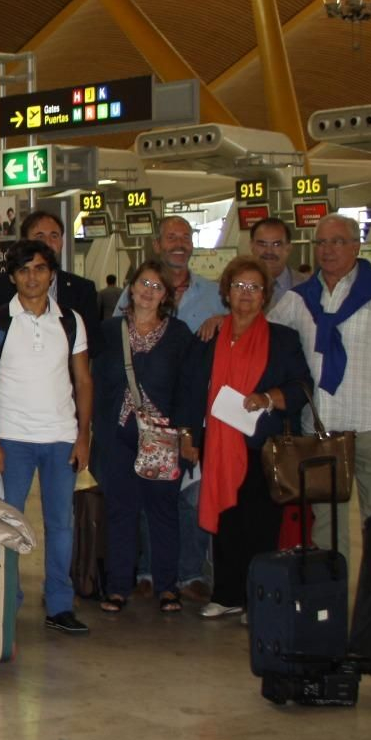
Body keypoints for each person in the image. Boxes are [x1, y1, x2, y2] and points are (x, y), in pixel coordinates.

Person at [268, 214, 371, 551]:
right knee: (327, 530)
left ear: (356, 246)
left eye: (337, 241)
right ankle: (331, 601)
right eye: (320, 242)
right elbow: (264, 335)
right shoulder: (300, 299)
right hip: (322, 429)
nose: (327, 250)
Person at [0, 240, 93, 636]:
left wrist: (84, 436)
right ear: (12, 277)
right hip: (11, 439)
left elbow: (84, 381)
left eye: (40, 268)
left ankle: (60, 605)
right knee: (7, 525)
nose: (32, 277)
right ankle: (6, 602)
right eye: (24, 270)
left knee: (61, 525)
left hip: (61, 437)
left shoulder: (70, 320)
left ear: (51, 273)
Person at [192, 256, 312, 618]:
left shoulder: (282, 338)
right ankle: (226, 595)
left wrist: (268, 398)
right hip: (219, 445)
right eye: (238, 286)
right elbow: (194, 388)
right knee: (227, 521)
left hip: (262, 446)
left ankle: (256, 599)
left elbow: (301, 386)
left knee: (260, 526)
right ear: (226, 292)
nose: (246, 294)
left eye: (254, 288)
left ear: (265, 296)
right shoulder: (210, 336)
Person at [125, 215, 227, 600]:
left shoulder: (215, 294)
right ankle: (150, 571)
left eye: (185, 237)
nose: (179, 243)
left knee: (192, 494)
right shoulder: (134, 294)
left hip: (195, 412)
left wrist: (224, 317)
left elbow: (239, 328)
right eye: (172, 237)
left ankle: (189, 573)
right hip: (147, 417)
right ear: (157, 245)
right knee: (152, 497)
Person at [91, 259, 199, 613]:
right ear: (131, 286)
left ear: (166, 295)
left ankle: (167, 586)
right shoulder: (108, 331)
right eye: (143, 284)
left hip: (162, 438)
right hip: (117, 435)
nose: (149, 292)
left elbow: (189, 389)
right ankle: (119, 585)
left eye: (157, 287)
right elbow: (93, 382)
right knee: (121, 510)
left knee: (162, 511)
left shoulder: (179, 335)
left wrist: (185, 434)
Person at [0, 209, 101, 354]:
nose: (48, 243)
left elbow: (92, 348)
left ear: (62, 241)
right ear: (25, 241)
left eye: (54, 236)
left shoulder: (82, 289)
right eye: (40, 236)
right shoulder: (1, 285)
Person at [249, 216, 296, 308]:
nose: (269, 251)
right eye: (262, 244)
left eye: (276, 244)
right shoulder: (231, 287)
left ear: (288, 248)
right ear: (251, 246)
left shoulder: (308, 285)